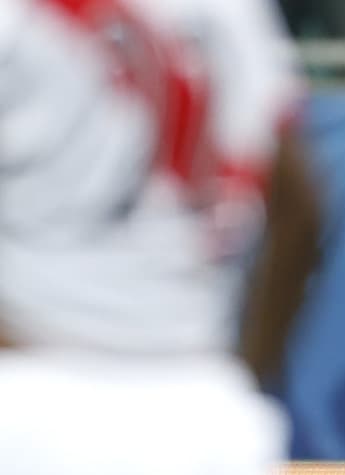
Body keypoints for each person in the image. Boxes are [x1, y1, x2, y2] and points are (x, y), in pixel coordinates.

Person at [0, 0, 318, 473]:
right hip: (199, 407)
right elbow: (299, 201)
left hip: (30, 394)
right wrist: (248, 370)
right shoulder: (228, 12)